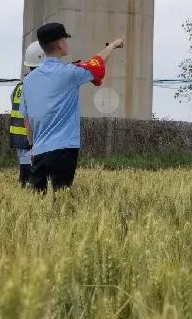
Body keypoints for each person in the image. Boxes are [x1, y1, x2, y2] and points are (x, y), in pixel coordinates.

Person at [20, 22, 124, 193]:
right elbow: (96, 63)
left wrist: (32, 147)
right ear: (60, 44)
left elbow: (27, 120)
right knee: (62, 199)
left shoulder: (28, 81)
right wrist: (112, 45)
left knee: (37, 205)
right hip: (64, 149)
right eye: (65, 40)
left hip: (38, 152)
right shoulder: (70, 73)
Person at [9, 40, 45, 186]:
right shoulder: (34, 86)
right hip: (28, 134)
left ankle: (24, 187)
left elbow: (14, 102)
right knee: (28, 170)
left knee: (25, 163)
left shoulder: (19, 86)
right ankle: (25, 187)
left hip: (17, 134)